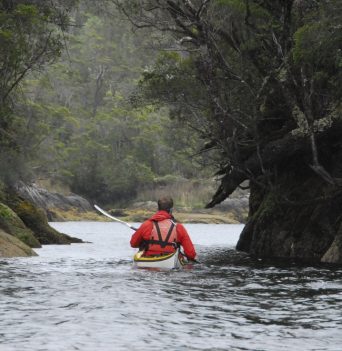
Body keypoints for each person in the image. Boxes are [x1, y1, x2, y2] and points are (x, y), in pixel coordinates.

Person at [130, 196, 197, 260]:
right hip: (171, 262)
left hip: (148, 262)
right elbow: (191, 254)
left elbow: (133, 243)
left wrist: (143, 242)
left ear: (158, 209)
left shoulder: (146, 224)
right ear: (171, 210)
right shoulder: (178, 227)